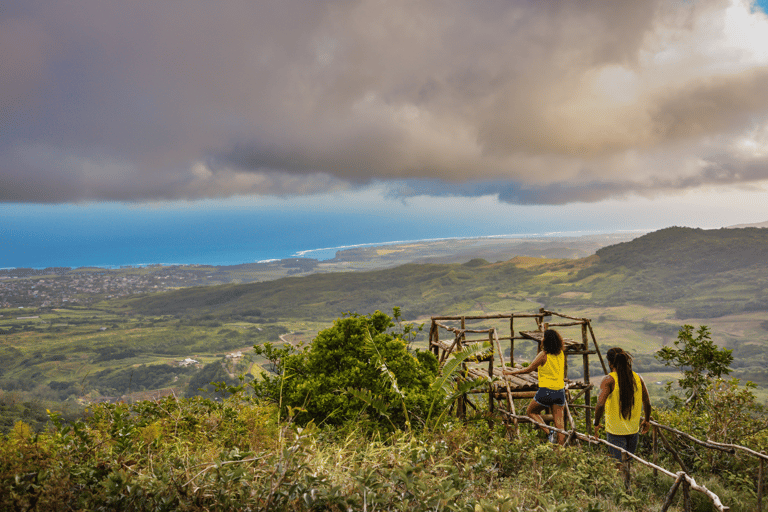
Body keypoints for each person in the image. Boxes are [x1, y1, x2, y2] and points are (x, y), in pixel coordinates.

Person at [504, 329, 566, 445]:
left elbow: (529, 369)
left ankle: (549, 432)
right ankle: (561, 450)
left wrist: (511, 373)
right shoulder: (561, 353)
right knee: (560, 423)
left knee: (531, 411)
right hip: (559, 391)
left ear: (546, 340)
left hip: (547, 390)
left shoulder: (543, 355)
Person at [593, 347, 652, 461]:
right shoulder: (638, 378)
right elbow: (647, 402)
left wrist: (596, 423)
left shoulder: (609, 380)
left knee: (618, 464)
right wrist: (647, 420)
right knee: (628, 462)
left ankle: (623, 479)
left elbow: (600, 405)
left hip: (615, 431)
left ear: (610, 363)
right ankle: (628, 479)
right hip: (633, 430)